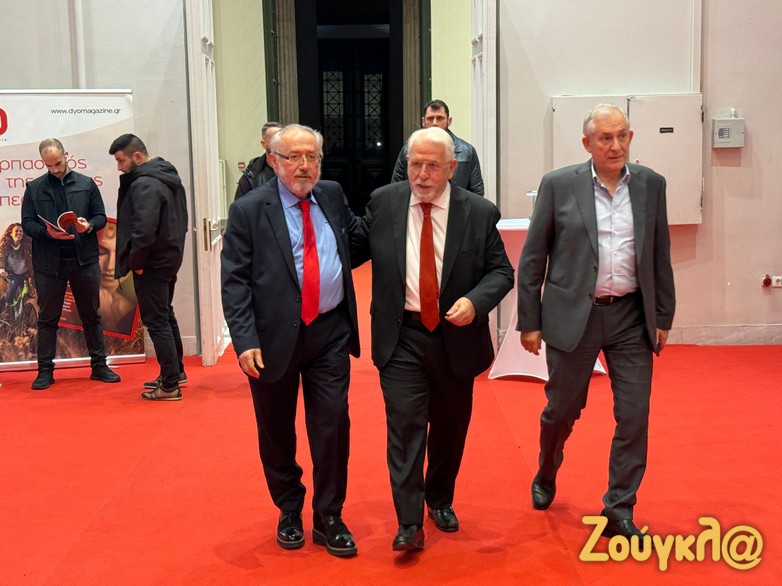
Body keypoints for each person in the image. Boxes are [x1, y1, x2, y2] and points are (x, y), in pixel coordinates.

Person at [516, 104, 676, 539]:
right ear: (587, 143)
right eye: (605, 138)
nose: (615, 145)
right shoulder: (558, 185)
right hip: (574, 316)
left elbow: (659, 253)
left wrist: (662, 314)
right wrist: (529, 321)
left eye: (622, 135)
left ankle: (618, 508)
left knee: (634, 414)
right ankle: (547, 467)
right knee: (562, 411)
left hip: (630, 317)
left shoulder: (651, 185)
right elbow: (532, 257)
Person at [351, 127, 513, 552]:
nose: (421, 175)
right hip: (400, 335)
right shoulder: (384, 203)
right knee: (405, 427)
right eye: (415, 165)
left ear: (452, 168)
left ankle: (439, 498)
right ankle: (409, 522)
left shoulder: (478, 212)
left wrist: (476, 302)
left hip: (454, 338)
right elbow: (349, 251)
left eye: (432, 166)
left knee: (450, 427)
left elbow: (501, 272)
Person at [221, 124, 361, 558]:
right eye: (294, 157)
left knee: (333, 425)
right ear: (273, 160)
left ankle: (329, 515)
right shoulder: (249, 209)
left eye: (312, 157)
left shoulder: (332, 195)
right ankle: (289, 508)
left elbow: (357, 240)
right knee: (276, 429)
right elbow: (234, 280)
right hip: (270, 338)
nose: (304, 166)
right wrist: (244, 339)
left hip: (329, 332)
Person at [20, 138, 121, 390]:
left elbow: (100, 216)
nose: (54, 169)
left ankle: (99, 366)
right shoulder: (34, 188)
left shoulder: (86, 184)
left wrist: (90, 225)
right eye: (48, 165)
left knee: (91, 315)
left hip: (83, 260)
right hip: (48, 264)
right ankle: (45, 371)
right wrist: (47, 233)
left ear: (67, 156)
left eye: (57, 163)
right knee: (47, 318)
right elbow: (27, 224)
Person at [109, 134, 188, 401]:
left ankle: (170, 386)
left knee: (157, 321)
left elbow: (143, 231)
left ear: (138, 156)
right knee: (166, 315)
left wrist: (137, 264)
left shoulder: (145, 184)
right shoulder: (167, 176)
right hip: (169, 258)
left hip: (152, 263)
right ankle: (175, 373)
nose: (119, 167)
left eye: (121, 160)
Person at [391, 99, 484, 196]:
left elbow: (477, 192)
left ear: (449, 121)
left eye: (440, 118)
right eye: (430, 118)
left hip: (457, 204)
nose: (435, 123)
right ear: (423, 121)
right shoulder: (408, 150)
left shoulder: (467, 151)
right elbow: (396, 188)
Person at [234, 121, 284, 199]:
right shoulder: (251, 176)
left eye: (282, 140)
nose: (279, 144)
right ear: (263, 144)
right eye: (274, 140)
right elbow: (239, 205)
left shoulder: (294, 169)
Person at [0, 223, 33, 315]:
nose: (19, 233)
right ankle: (7, 308)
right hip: (10, 273)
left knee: (25, 293)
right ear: (10, 233)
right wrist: (2, 270)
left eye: (21, 231)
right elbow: (1, 257)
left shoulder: (27, 245)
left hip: (23, 274)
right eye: (16, 231)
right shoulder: (5, 245)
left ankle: (22, 315)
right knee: (14, 283)